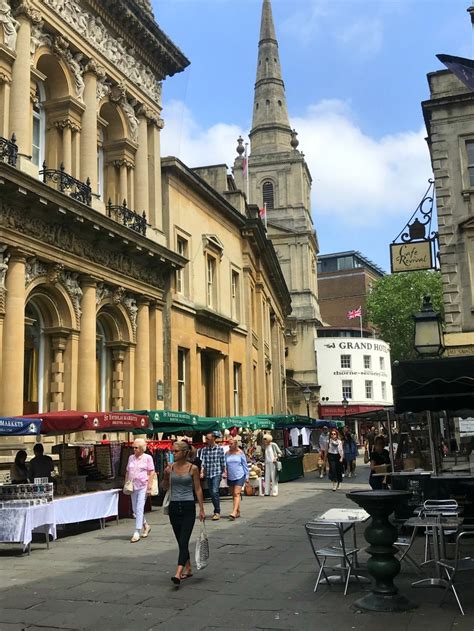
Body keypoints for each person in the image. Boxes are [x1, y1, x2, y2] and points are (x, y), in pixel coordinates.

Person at [162, 441, 205, 587]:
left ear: (184, 453)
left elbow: (198, 489)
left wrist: (201, 509)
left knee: (183, 541)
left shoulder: (193, 468)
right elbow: (165, 486)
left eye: (176, 451)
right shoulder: (171, 468)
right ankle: (188, 567)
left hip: (188, 507)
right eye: (173, 451)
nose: (173, 453)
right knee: (180, 540)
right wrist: (166, 476)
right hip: (174, 507)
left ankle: (178, 573)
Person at [125, 438, 155, 543]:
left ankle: (137, 531)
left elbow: (151, 472)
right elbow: (127, 471)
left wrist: (150, 485)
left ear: (142, 448)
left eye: (136, 447)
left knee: (139, 508)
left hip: (143, 485)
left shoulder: (148, 458)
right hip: (133, 486)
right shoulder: (130, 458)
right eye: (133, 447)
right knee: (135, 509)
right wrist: (126, 483)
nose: (134, 449)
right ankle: (146, 525)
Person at [199, 432, 226, 521]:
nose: (206, 440)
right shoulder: (204, 450)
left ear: (213, 439)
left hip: (216, 473)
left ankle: (217, 511)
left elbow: (222, 462)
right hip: (208, 473)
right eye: (206, 438)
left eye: (208, 438)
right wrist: (202, 472)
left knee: (214, 491)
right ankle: (216, 509)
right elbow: (203, 462)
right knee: (212, 493)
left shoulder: (219, 449)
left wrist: (223, 472)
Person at [225, 437, 249, 519]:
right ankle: (238, 511)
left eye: (231, 444)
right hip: (230, 476)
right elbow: (225, 465)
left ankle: (234, 512)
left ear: (235, 444)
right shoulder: (227, 453)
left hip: (240, 475)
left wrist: (247, 477)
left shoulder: (240, 453)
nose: (229, 445)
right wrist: (224, 472)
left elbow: (245, 465)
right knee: (233, 494)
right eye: (229, 443)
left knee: (236, 493)